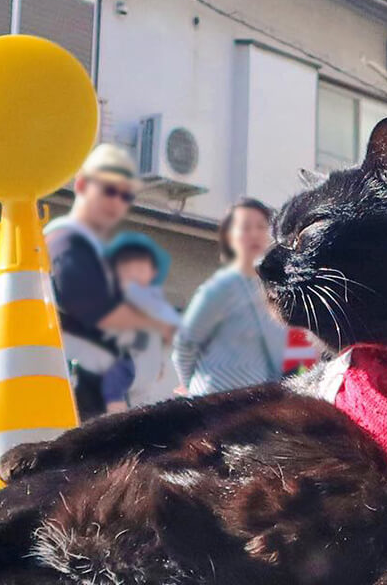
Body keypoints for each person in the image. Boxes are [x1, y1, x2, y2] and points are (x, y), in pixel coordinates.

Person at [45, 144, 177, 420]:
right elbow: (92, 308)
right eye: (108, 190)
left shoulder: (89, 249)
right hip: (74, 395)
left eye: (124, 194)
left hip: (86, 395)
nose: (116, 201)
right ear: (81, 184)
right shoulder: (66, 242)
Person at [173, 197, 284, 395]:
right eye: (245, 227)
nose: (255, 234)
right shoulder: (220, 287)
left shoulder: (274, 288)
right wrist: (190, 387)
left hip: (254, 403)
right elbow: (185, 344)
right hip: (213, 399)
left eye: (261, 226)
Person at [105, 232, 182, 409]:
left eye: (140, 269)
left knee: (140, 402)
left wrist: (160, 362)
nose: (134, 274)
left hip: (145, 366)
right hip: (120, 365)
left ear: (152, 272)